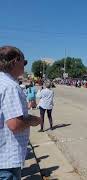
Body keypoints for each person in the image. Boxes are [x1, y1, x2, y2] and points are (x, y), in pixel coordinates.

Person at [0, 46, 41, 179]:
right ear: (15, 61)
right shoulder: (10, 86)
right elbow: (15, 124)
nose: (24, 66)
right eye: (23, 62)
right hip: (7, 159)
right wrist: (34, 120)